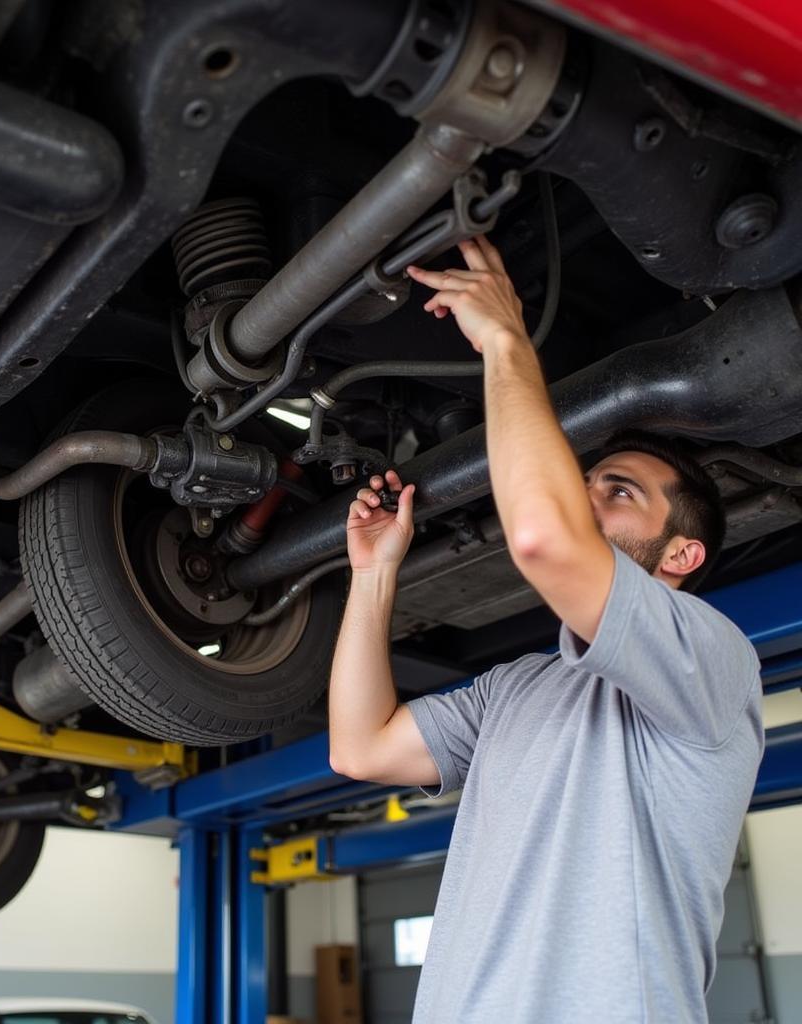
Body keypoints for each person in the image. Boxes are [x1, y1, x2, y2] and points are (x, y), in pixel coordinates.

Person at [327, 234, 764, 1023]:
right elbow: (362, 747)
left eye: (619, 491)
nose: (587, 495)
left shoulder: (713, 657)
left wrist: (504, 339)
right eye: (586, 480)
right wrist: (373, 575)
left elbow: (544, 539)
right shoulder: (516, 688)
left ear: (683, 553)